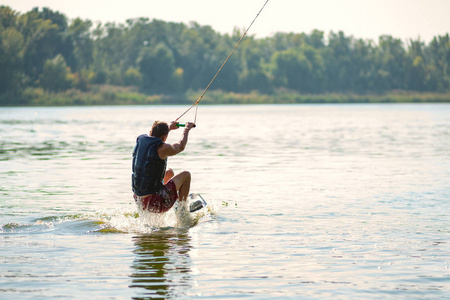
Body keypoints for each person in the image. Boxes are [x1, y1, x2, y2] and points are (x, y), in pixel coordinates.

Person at [132, 120, 195, 213]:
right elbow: (180, 146)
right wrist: (186, 129)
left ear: (150, 132)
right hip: (155, 203)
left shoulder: (141, 141)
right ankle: (182, 212)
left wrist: (169, 128)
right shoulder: (164, 148)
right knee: (186, 175)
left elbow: (157, 139)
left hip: (139, 201)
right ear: (165, 137)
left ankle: (176, 202)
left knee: (169, 173)